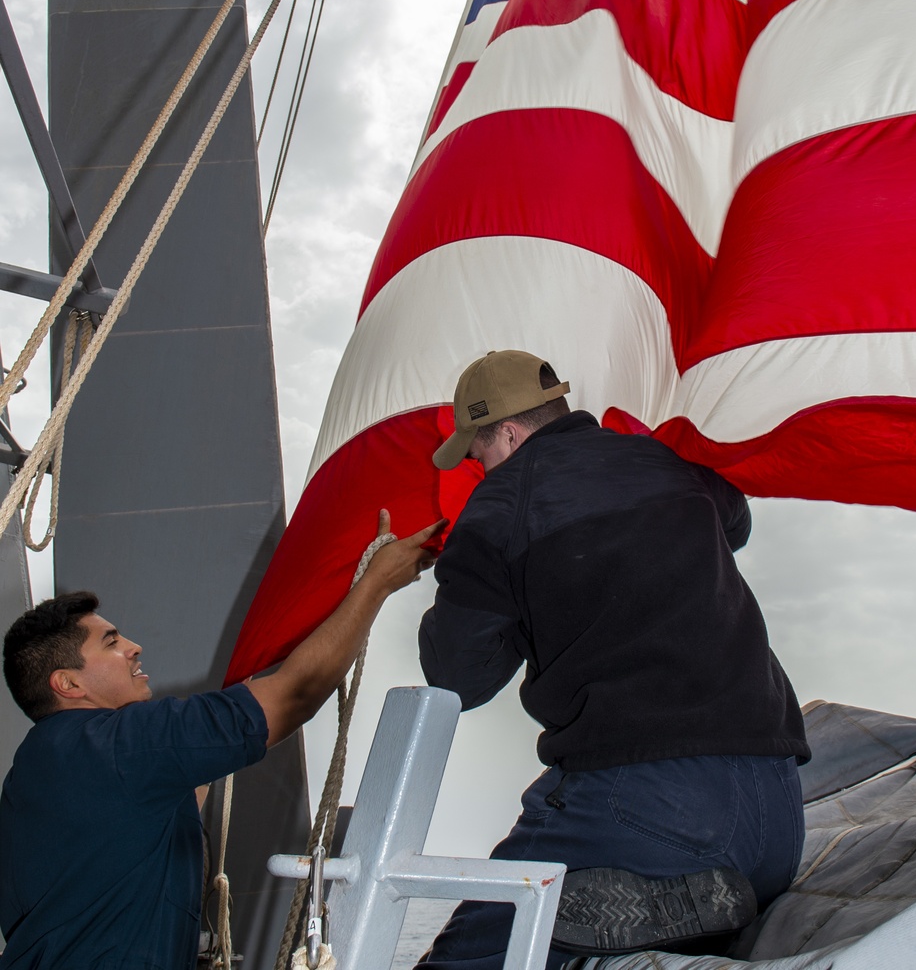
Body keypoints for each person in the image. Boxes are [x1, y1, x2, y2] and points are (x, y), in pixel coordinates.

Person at [417, 350, 810, 968]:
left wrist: (469, 578)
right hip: (778, 811)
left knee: (466, 958)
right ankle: (667, 911)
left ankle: (645, 896)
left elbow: (457, 677)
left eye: (478, 452)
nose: (478, 467)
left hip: (650, 806)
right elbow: (734, 522)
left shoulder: (499, 507)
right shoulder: (664, 463)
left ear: (510, 433)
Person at [0, 510, 444, 970]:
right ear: (68, 685)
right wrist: (376, 584)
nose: (133, 646)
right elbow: (293, 697)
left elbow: (142, 829)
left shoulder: (36, 773)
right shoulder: (121, 744)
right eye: (110, 643)